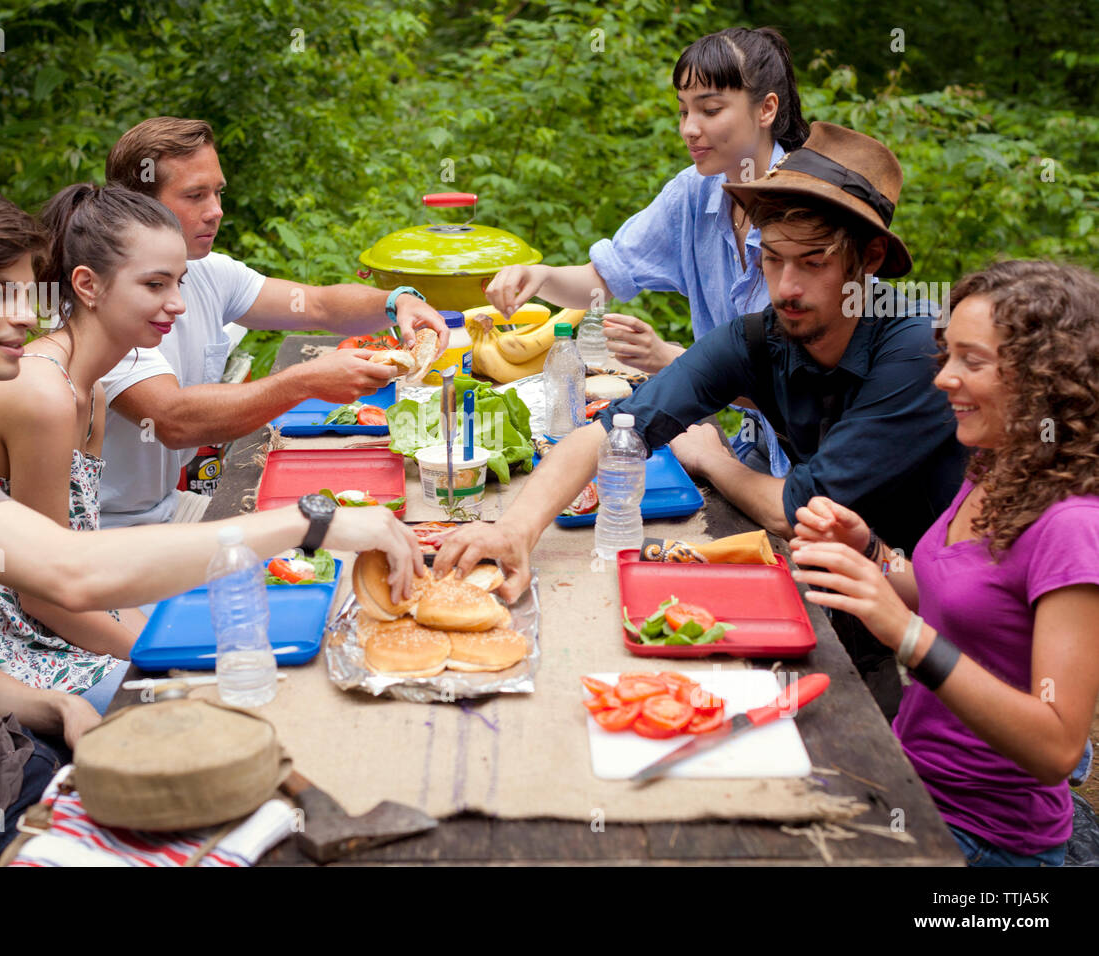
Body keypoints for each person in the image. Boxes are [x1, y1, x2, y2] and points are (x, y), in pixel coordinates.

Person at [0, 178, 422, 866]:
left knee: (272, 804)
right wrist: (305, 523)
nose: (28, 316)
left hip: (6, 768)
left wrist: (50, 708)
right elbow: (68, 573)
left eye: (30, 290)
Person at [437, 123, 967, 714]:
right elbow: (613, 429)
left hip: (952, 624)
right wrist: (516, 530)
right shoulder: (760, 336)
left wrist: (713, 459)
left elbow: (805, 508)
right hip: (844, 585)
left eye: (813, 262)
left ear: (869, 259)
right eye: (772, 259)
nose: (785, 288)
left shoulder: (918, 347)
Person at [787, 260, 1099, 866]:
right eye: (946, 355)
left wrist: (906, 636)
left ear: (1046, 380)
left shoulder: (1074, 527)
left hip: (986, 840)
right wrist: (871, 553)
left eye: (972, 361)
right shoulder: (995, 466)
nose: (943, 379)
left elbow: (1059, 745)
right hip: (912, 782)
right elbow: (955, 598)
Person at [486, 27, 810, 476]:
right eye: (682, 111)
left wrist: (671, 360)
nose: (689, 129)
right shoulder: (695, 192)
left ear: (767, 109)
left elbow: (803, 389)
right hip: (759, 442)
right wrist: (541, 276)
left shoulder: (810, 211)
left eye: (710, 109)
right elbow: (604, 279)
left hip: (820, 451)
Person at [98, 116, 449, 527]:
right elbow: (174, 420)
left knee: (345, 529)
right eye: (195, 195)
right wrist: (305, 381)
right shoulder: (110, 297)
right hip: (110, 528)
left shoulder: (205, 269)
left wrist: (396, 301)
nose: (216, 211)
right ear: (140, 206)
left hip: (170, 506)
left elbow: (317, 305)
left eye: (218, 192)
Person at [0, 185, 185, 712]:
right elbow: (42, 590)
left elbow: (78, 554)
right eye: (155, 283)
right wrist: (167, 654)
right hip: (2, 648)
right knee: (185, 704)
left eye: (179, 281)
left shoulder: (91, 392)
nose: (178, 303)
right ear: (87, 285)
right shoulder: (42, 392)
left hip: (55, 619)